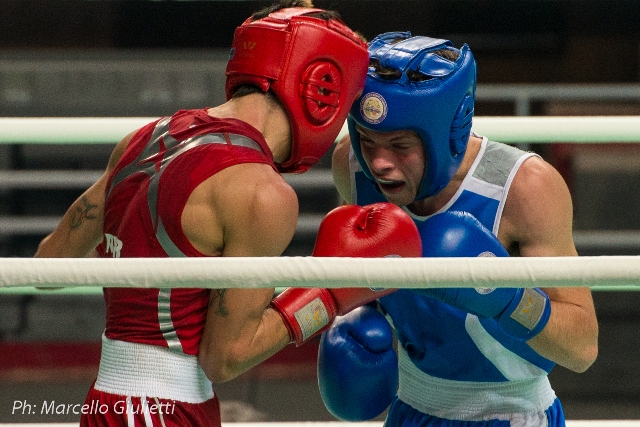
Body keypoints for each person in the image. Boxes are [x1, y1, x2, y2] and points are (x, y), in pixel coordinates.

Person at [33, 1, 380, 425]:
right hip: (169, 409)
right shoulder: (262, 193)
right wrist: (331, 293)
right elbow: (225, 358)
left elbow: (48, 265)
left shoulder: (143, 139)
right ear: (321, 92)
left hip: (104, 401)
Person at [322, 31, 599, 427]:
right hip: (410, 411)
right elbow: (363, 275)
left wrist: (506, 297)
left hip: (513, 415)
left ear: (447, 134)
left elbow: (582, 347)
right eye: (368, 140)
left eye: (400, 146)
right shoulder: (351, 166)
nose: (379, 162)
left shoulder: (523, 187)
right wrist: (353, 313)